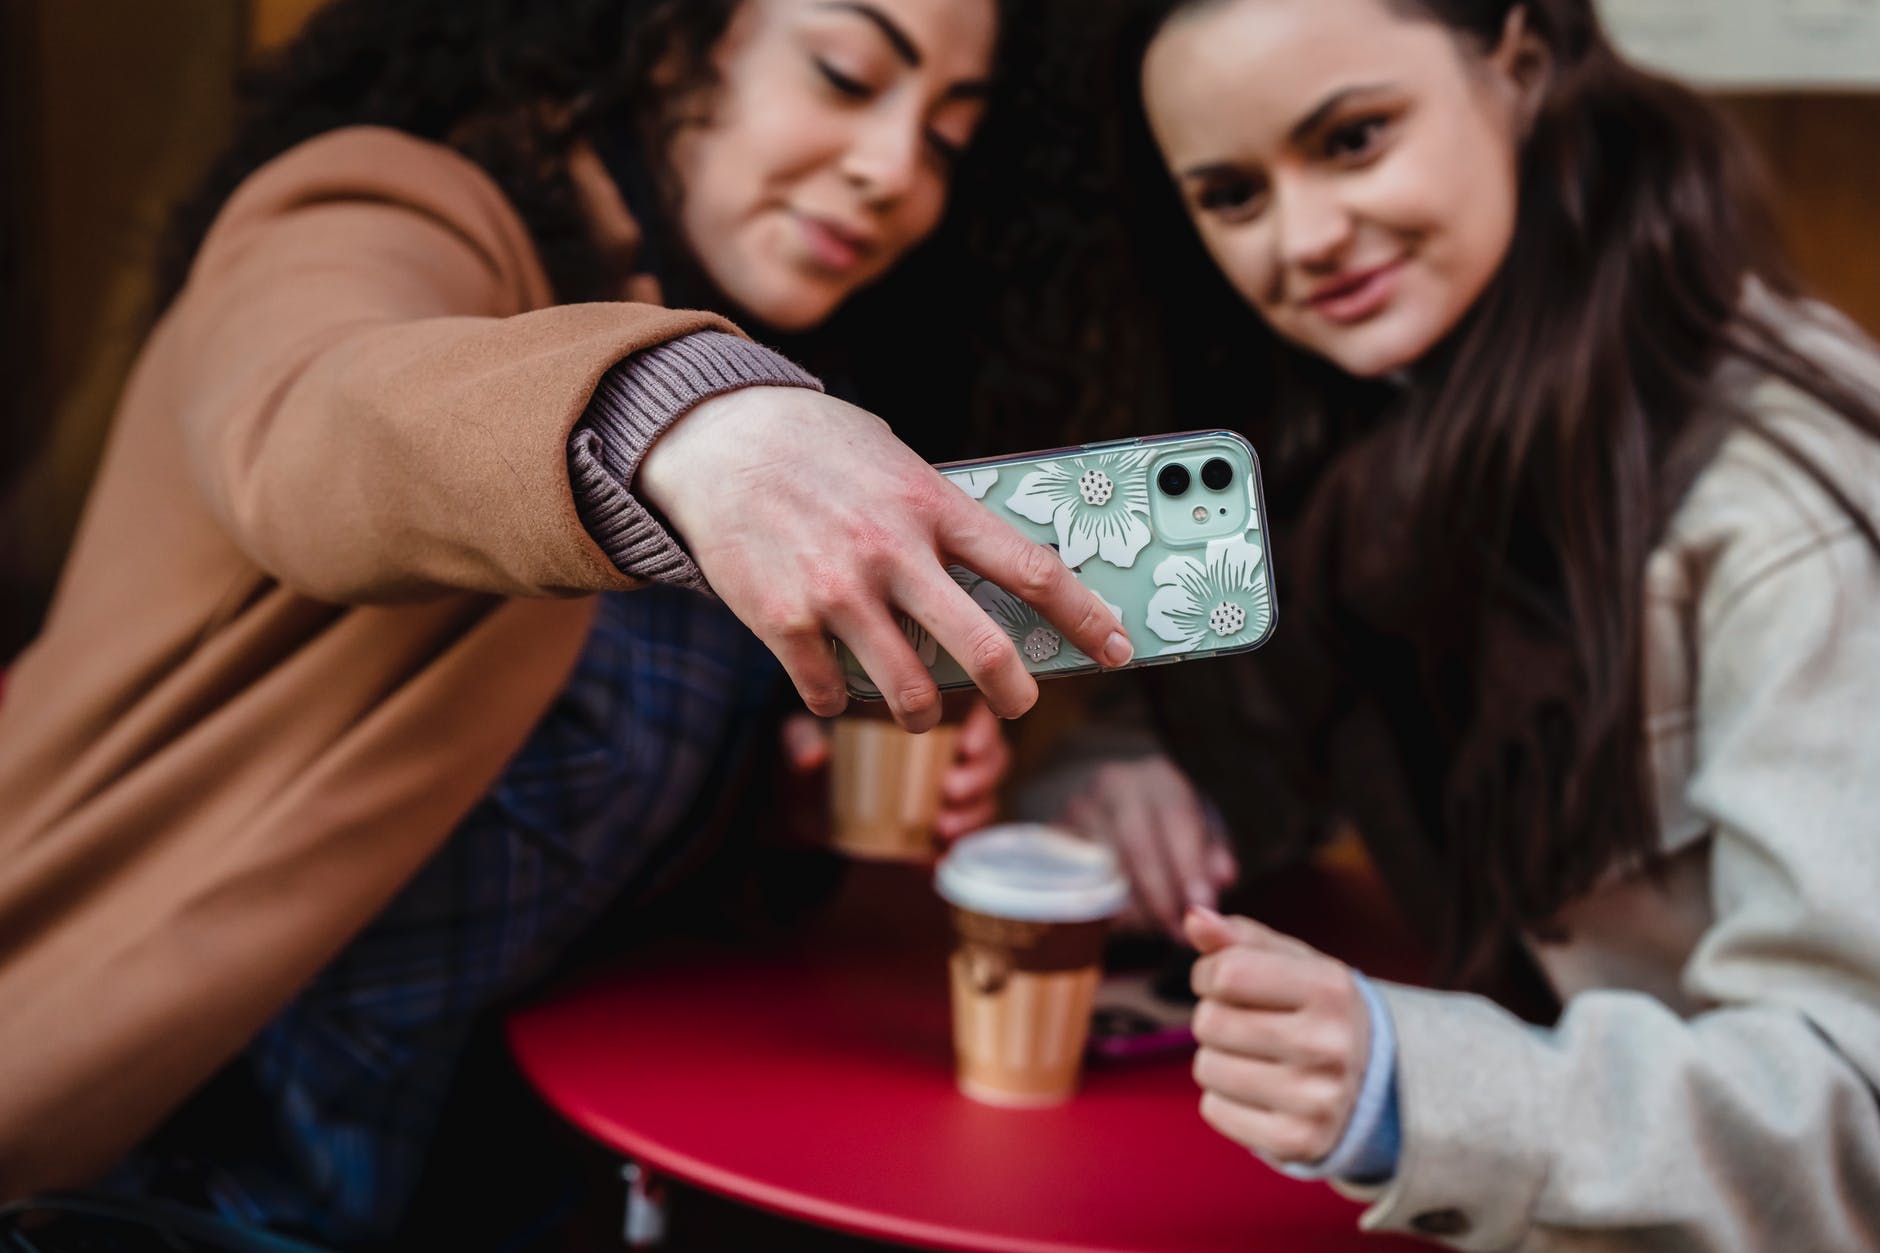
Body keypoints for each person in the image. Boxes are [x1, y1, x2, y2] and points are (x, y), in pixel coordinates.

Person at [0, 0, 1136, 1242]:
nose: (893, 168)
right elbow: (316, 415)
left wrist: (774, 808)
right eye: (845, 70)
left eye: (949, 141)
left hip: (503, 1184)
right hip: (151, 1173)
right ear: (664, 37)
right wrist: (680, 416)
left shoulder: (823, 383)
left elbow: (534, 819)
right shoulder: (386, 203)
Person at [1044, 0, 1880, 1246]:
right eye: (1229, 196)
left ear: (1521, 62)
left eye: (1353, 138)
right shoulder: (1380, 415)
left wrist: (1410, 1085)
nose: (1305, 237)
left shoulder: (1772, 508)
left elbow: (1849, 1108)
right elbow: (1268, 731)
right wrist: (1125, 758)